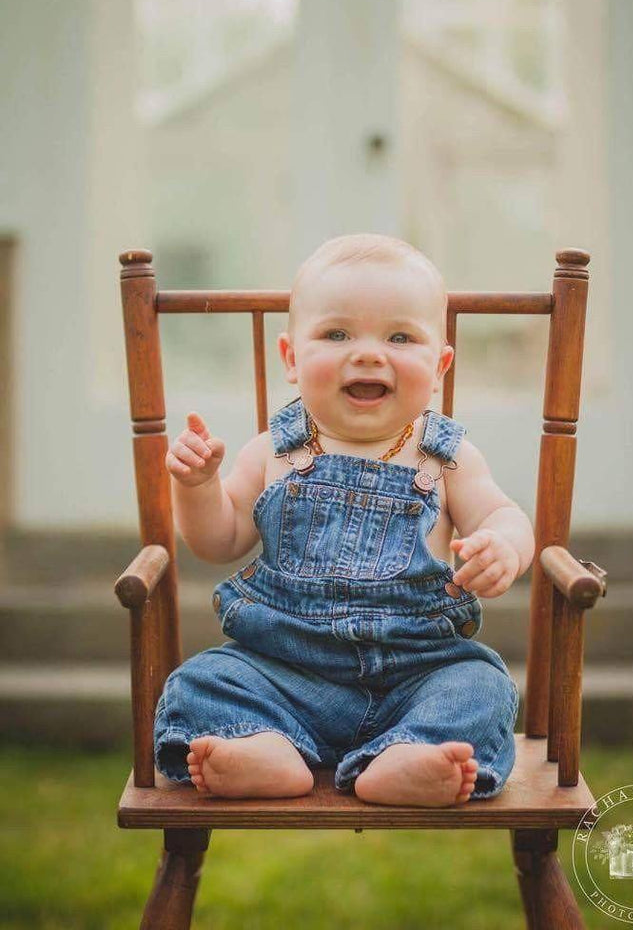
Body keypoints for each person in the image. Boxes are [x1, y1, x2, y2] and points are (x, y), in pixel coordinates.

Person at [155, 234, 535, 807]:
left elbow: (504, 514)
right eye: (337, 334)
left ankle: (411, 755)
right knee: (199, 683)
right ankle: (265, 749)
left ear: (439, 365)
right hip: (284, 671)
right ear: (290, 358)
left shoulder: (445, 456)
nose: (367, 353)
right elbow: (218, 538)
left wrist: (504, 545)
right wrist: (198, 485)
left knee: (482, 686)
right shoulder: (273, 452)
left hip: (418, 670)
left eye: (400, 337)